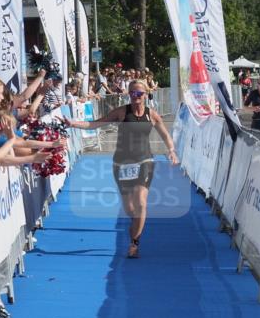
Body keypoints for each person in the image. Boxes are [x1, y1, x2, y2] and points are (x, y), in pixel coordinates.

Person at [66, 79, 178, 259]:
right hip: (122, 164)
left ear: (145, 95)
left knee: (141, 202)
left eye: (139, 94)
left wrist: (171, 151)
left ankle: (134, 243)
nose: (136, 97)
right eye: (132, 93)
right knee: (130, 209)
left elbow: (165, 135)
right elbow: (96, 123)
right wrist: (74, 124)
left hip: (145, 161)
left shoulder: (152, 115)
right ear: (128, 94)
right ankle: (135, 226)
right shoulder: (121, 113)